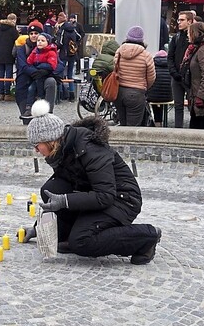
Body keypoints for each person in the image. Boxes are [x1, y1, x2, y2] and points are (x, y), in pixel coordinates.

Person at [20, 100, 162, 264]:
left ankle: (147, 237)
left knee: (81, 241)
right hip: (97, 195)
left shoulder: (89, 148)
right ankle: (69, 232)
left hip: (122, 199)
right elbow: (62, 186)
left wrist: (65, 201)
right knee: (51, 189)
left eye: (37, 146)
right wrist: (39, 228)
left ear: (51, 140)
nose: (36, 151)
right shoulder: (63, 150)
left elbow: (105, 195)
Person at [113, 26, 155, 126]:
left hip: (119, 92)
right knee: (133, 127)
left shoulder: (119, 52)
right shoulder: (146, 55)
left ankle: (120, 141)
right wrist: (144, 87)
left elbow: (115, 68)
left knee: (122, 124)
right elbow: (151, 77)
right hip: (136, 93)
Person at [167, 11, 194, 128]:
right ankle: (178, 130)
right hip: (176, 77)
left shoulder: (194, 38)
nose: (179, 22)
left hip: (190, 77)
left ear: (189, 21)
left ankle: (194, 129)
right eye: (178, 20)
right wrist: (173, 72)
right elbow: (170, 57)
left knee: (193, 105)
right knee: (178, 105)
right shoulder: (176, 38)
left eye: (182, 20)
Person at [26, 32, 59, 103]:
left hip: (46, 74)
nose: (40, 42)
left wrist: (40, 66)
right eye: (38, 40)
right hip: (36, 74)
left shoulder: (51, 52)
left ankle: (42, 100)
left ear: (48, 42)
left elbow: (52, 65)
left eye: (43, 41)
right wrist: (33, 69)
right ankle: (29, 106)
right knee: (31, 89)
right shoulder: (34, 52)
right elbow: (29, 62)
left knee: (45, 85)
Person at [0, 13, 19, 101]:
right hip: (9, 54)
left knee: (0, 74)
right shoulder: (13, 30)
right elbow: (17, 42)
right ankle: (7, 94)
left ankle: (1, 93)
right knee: (8, 74)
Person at [55, 15, 81, 102]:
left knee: (60, 74)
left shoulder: (62, 30)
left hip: (64, 54)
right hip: (73, 54)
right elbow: (79, 36)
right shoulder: (73, 28)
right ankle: (72, 94)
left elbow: (60, 43)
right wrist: (75, 44)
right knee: (70, 74)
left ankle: (61, 94)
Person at [147, 50, 173, 127]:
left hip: (153, 97)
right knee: (161, 102)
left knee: (155, 100)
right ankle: (161, 122)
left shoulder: (152, 66)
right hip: (168, 97)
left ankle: (157, 123)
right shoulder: (170, 66)